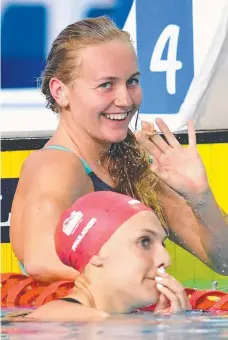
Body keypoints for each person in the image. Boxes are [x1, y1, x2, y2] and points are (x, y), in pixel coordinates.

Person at [10, 16, 228, 283]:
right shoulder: (55, 165)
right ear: (60, 91)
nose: (125, 100)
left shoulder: (130, 162)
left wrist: (200, 197)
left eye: (132, 81)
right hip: (70, 324)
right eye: (106, 85)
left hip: (123, 324)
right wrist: (141, 288)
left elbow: (224, 260)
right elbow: (41, 262)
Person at [23, 191, 191, 321]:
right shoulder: (59, 319)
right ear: (95, 253)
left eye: (163, 244)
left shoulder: (115, 322)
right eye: (144, 241)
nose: (166, 259)